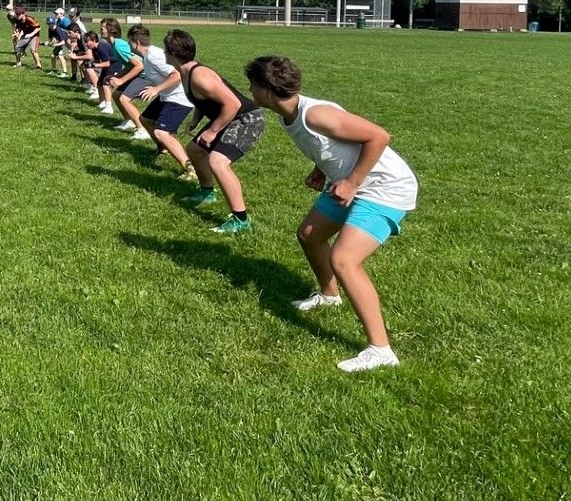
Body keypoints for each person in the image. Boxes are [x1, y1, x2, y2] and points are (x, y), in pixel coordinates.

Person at [245, 54, 419, 374]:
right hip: (350, 182)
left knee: (344, 259)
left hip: (384, 189)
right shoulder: (291, 113)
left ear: (267, 91)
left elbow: (378, 136)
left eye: (253, 86)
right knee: (310, 235)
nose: (251, 92)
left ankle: (381, 350)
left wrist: (352, 182)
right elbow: (332, 145)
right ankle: (328, 295)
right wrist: (320, 168)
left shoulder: (316, 114)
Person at [165, 29, 266, 235]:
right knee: (194, 150)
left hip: (246, 119)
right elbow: (204, 99)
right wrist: (196, 120)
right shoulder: (186, 72)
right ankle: (206, 192)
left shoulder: (199, 75)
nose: (164, 53)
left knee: (218, 162)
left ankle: (241, 220)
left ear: (173, 53)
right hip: (229, 117)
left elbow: (232, 104)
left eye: (166, 49)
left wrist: (212, 131)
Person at [122, 25, 194, 165]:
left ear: (136, 43)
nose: (128, 45)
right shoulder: (147, 57)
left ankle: (188, 166)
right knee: (145, 120)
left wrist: (156, 90)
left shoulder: (154, 56)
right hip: (167, 96)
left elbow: (177, 75)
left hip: (179, 98)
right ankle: (164, 148)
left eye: (129, 42)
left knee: (161, 132)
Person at [11, 4, 44, 70]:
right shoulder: (17, 19)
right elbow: (18, 28)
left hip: (34, 36)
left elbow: (38, 28)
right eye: (16, 14)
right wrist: (17, 33)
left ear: (23, 14)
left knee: (33, 50)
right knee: (17, 48)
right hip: (25, 35)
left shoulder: (29, 19)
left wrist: (31, 34)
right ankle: (18, 63)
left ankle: (38, 65)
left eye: (19, 14)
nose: (17, 16)